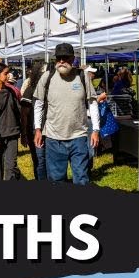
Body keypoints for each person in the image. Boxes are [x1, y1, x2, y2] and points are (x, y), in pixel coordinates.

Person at [33, 44, 100, 185]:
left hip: (79, 137)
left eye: (65, 58)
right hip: (53, 139)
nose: (62, 61)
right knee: (56, 180)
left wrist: (95, 130)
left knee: (81, 179)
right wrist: (38, 129)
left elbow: (93, 103)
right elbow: (38, 104)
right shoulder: (47, 77)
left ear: (73, 59)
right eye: (58, 58)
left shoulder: (82, 76)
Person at [18, 61, 46, 179]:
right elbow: (24, 115)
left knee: (48, 160)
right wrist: (24, 134)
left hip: (50, 131)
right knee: (39, 161)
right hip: (34, 132)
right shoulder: (30, 91)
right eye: (44, 73)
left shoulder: (50, 90)